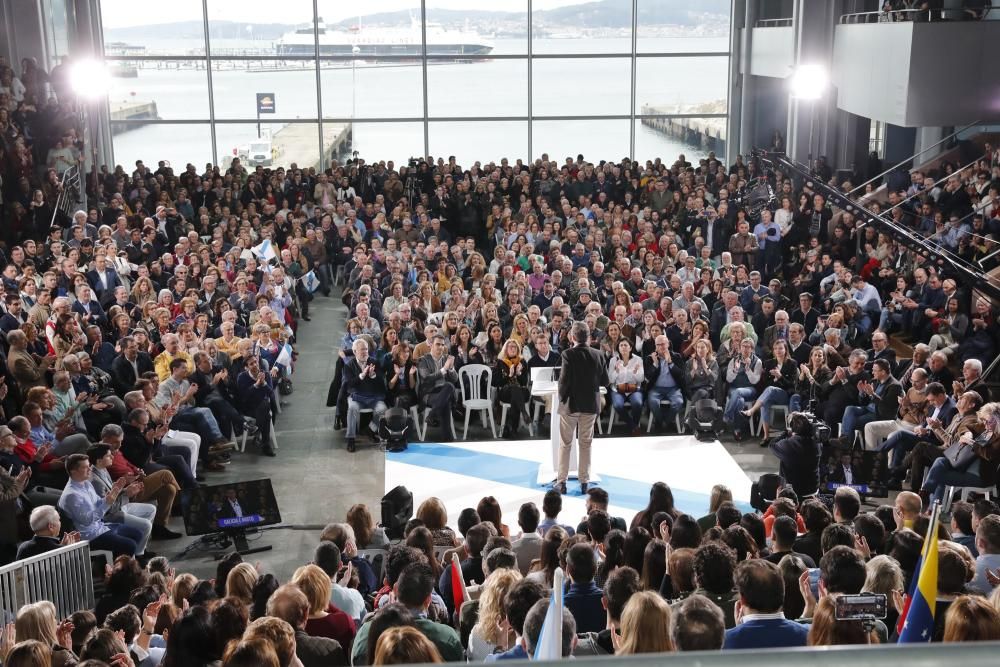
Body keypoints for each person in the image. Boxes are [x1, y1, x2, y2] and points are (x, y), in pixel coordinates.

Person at [555, 321, 608, 494]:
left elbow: (563, 381)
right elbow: (605, 381)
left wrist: (561, 399)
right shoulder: (598, 354)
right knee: (586, 444)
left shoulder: (567, 354)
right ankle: (584, 481)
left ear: (572, 337)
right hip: (590, 405)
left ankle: (562, 482)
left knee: (565, 444)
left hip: (571, 404)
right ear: (589, 337)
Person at [57, 453, 144, 557]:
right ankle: (118, 568)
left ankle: (126, 563)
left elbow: (97, 502)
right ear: (73, 471)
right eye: (85, 467)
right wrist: (107, 503)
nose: (90, 469)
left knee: (137, 534)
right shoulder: (72, 495)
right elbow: (87, 520)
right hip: (89, 536)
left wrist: (113, 493)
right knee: (130, 546)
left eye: (89, 466)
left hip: (99, 527)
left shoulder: (86, 483)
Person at [723, 560, 808, 649]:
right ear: (782, 592)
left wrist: (738, 631)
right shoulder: (810, 634)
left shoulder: (724, 641)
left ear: (742, 600)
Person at [342, 338, 388, 453]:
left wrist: (373, 375)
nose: (365, 352)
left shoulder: (375, 362)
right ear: (354, 352)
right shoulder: (348, 365)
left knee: (383, 409)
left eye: (366, 349)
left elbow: (382, 381)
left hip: (373, 395)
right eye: (362, 350)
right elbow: (349, 384)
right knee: (352, 408)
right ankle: (351, 439)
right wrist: (361, 376)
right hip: (356, 396)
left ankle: (371, 429)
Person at [416, 335, 459, 442]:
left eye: (442, 345)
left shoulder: (446, 358)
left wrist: (452, 368)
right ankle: (448, 440)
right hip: (430, 394)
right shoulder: (423, 360)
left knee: (449, 387)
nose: (440, 347)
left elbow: (455, 379)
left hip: (444, 392)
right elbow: (426, 379)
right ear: (431, 345)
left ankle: (432, 415)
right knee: (446, 400)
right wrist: (444, 369)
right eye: (437, 344)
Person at [770, 412, 822, 497]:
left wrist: (785, 433)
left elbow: (772, 445)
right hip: (813, 490)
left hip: (793, 493)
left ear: (791, 428)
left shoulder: (787, 444)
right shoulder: (817, 443)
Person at [645, 335, 686, 433]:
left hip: (673, 388)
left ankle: (667, 422)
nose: (661, 347)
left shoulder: (676, 356)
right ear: (655, 346)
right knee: (653, 402)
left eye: (663, 344)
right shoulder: (650, 358)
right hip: (656, 388)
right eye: (658, 345)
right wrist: (655, 364)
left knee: (678, 402)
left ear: (668, 344)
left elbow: (681, 375)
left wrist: (670, 362)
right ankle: (660, 421)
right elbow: (647, 377)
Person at [493, 339, 530, 438]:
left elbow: (524, 382)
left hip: (521, 391)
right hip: (505, 392)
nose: (513, 348)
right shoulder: (500, 362)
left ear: (518, 350)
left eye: (515, 347)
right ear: (506, 349)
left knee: (516, 391)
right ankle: (523, 413)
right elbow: (497, 382)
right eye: (510, 347)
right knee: (514, 389)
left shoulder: (522, 362)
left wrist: (519, 374)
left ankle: (511, 427)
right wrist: (509, 375)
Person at [608, 338, 645, 435]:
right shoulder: (613, 360)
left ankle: (635, 425)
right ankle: (633, 426)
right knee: (618, 405)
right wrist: (616, 371)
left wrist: (635, 372)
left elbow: (640, 379)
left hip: (634, 389)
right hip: (618, 389)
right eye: (621, 345)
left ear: (630, 348)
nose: (623, 347)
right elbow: (611, 380)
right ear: (618, 348)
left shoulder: (638, 359)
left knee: (637, 403)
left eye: (626, 345)